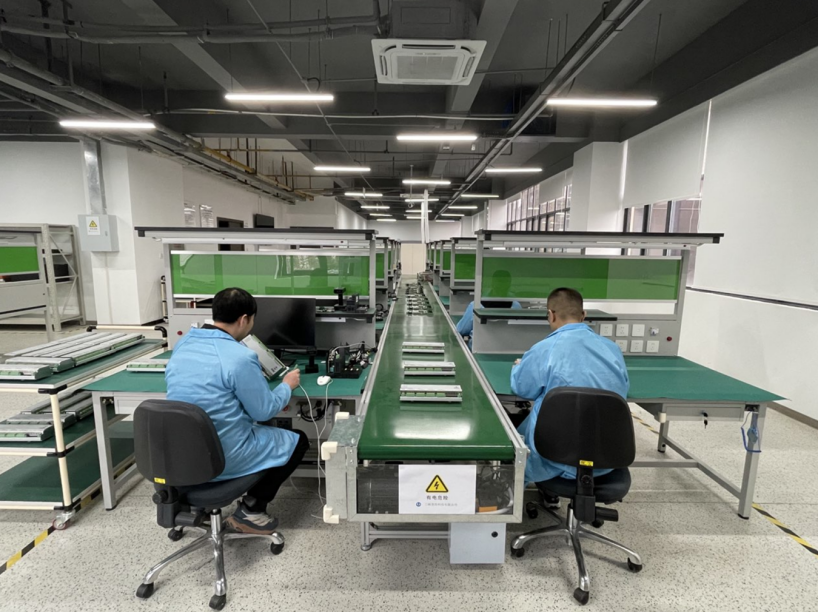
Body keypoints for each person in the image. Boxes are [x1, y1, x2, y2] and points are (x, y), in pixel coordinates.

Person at [166, 287, 306, 535]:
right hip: (222, 456)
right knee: (298, 440)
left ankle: (197, 507)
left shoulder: (183, 344)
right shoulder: (240, 357)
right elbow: (264, 411)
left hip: (182, 454)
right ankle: (252, 510)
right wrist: (287, 386)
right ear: (244, 319)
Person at [511, 287, 629, 488]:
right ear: (584, 315)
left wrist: (518, 367)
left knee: (517, 438)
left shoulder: (544, 349)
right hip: (605, 459)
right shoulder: (612, 349)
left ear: (550, 315)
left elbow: (522, 388)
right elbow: (623, 388)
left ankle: (510, 494)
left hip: (552, 457)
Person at [456, 269, 522, 349]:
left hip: (479, 349)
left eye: (504, 282)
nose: (502, 285)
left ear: (492, 283)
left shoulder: (476, 305)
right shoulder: (516, 306)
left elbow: (461, 330)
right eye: (500, 282)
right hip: (508, 348)